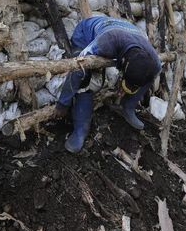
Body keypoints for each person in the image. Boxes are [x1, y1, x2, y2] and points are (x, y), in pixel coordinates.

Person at [55, 16, 161, 153]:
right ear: (123, 62)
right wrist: (63, 103)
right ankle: (80, 130)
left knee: (150, 76)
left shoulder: (153, 60)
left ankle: (128, 107)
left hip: (126, 32)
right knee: (86, 78)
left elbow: (154, 72)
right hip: (85, 34)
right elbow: (78, 68)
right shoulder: (106, 42)